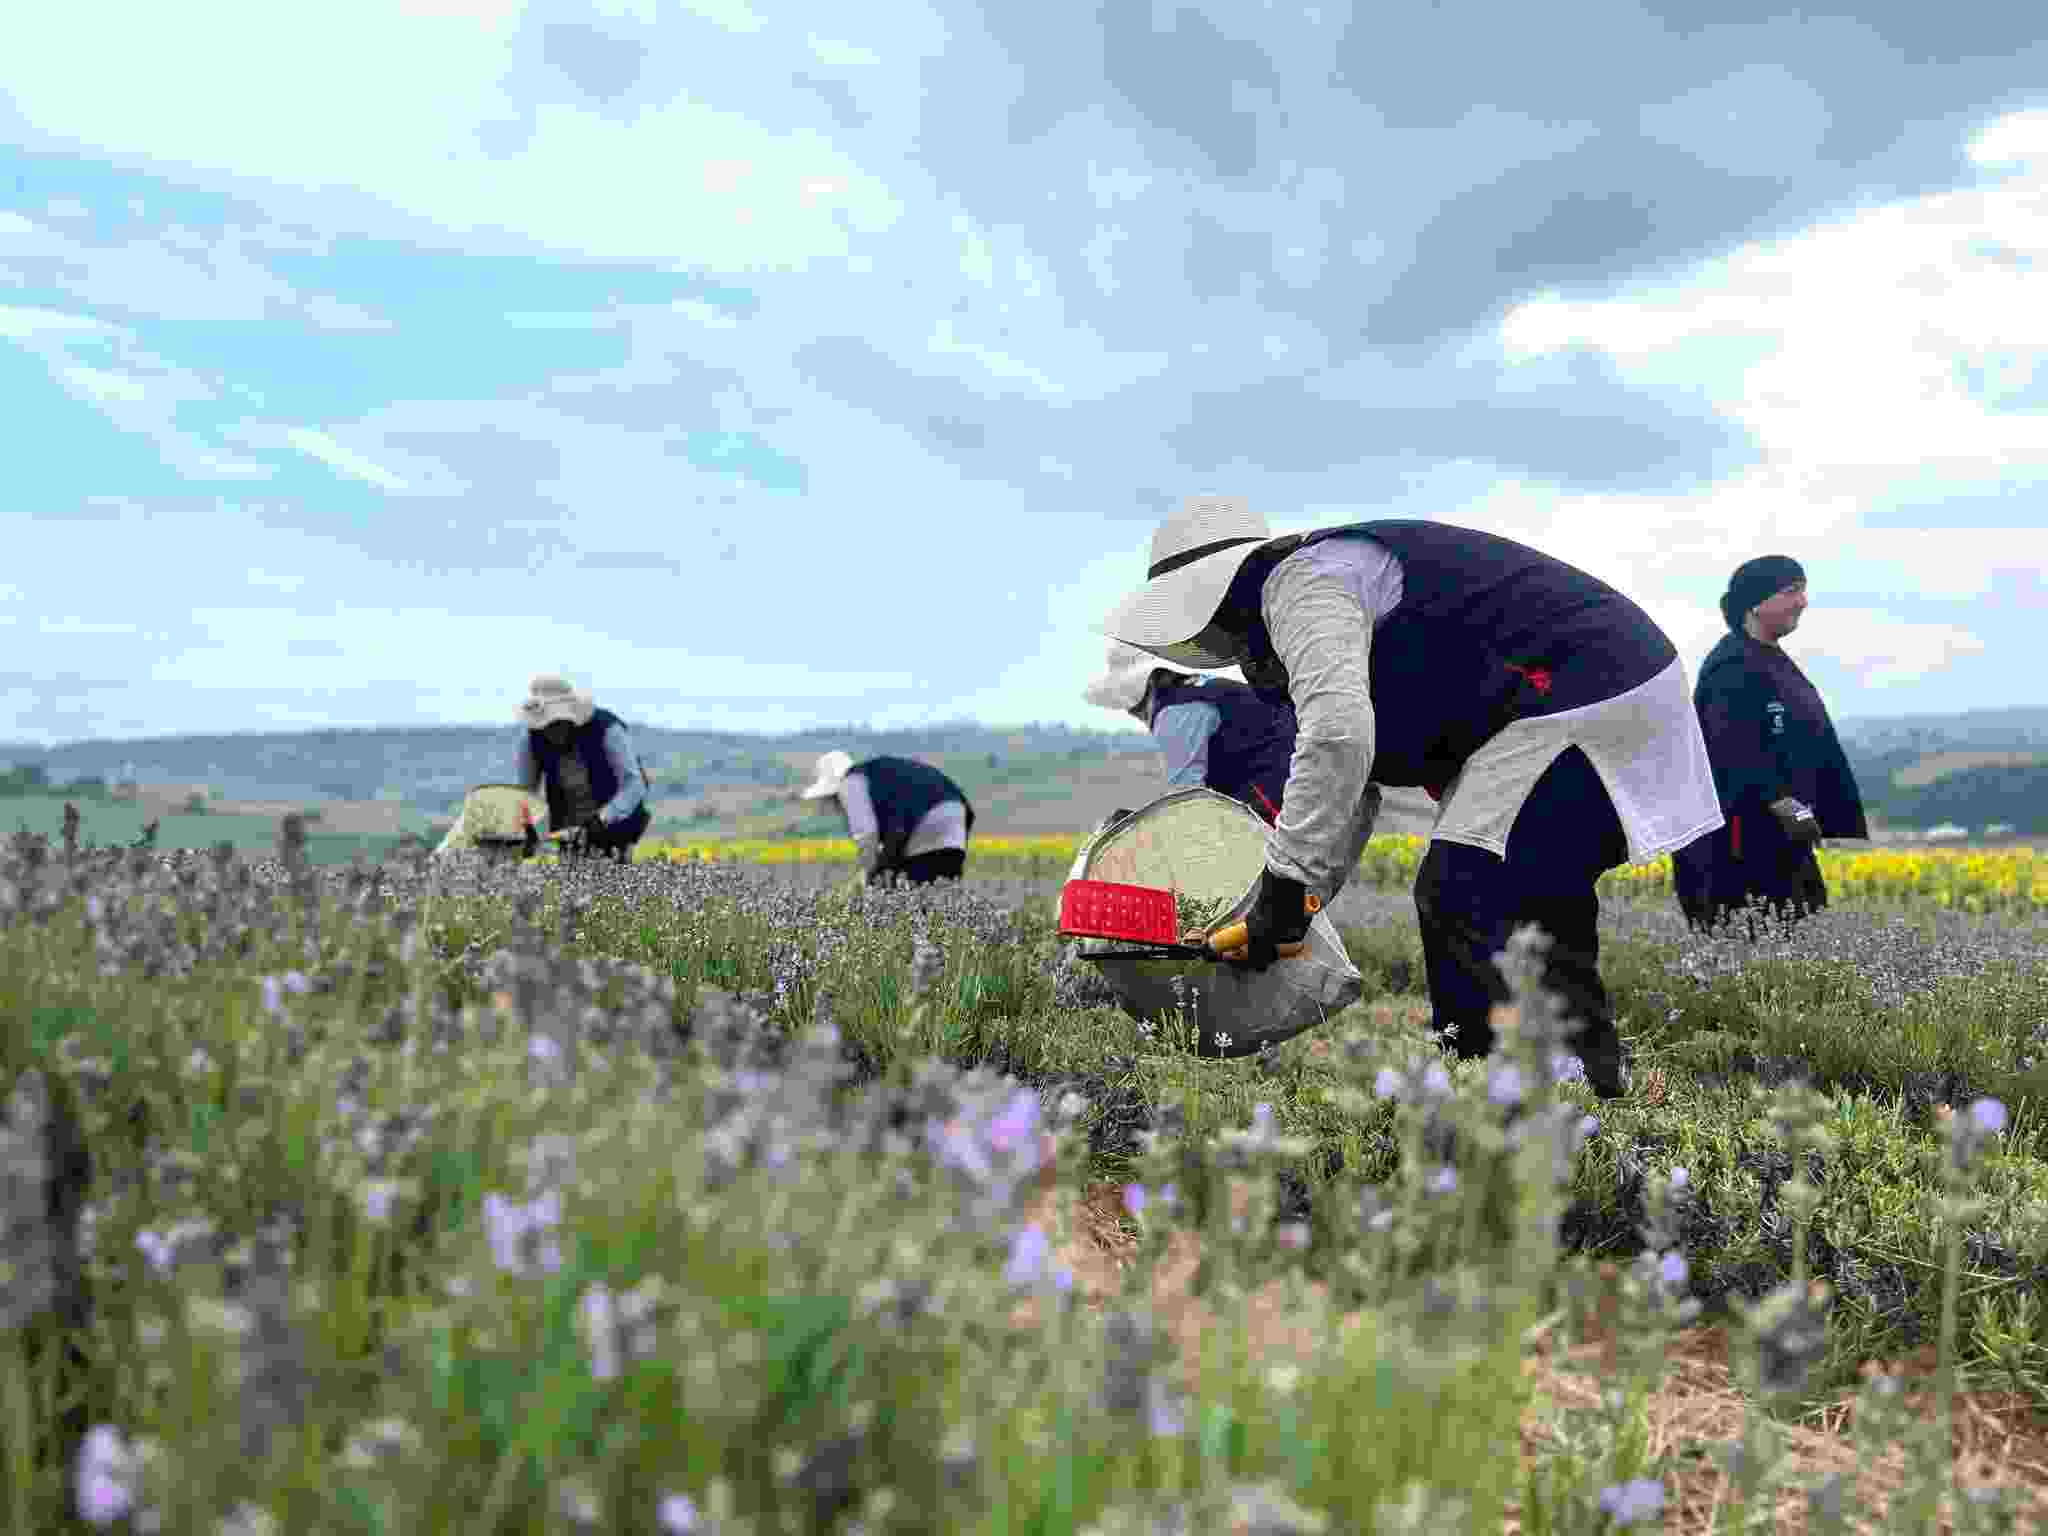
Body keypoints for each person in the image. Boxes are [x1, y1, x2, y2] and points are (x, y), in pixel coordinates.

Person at [1098, 496, 1725, 1098]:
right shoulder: (1313, 592)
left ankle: (1496, 1091)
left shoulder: (1302, 585)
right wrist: (1290, 902)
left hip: (1582, 687)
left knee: (1465, 886)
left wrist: (1285, 893)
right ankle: (1581, 1083)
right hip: (1618, 681)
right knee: (1534, 892)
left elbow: (1338, 739)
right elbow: (1354, 784)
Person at [1671, 557, 1866, 933]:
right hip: (1737, 851)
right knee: (1754, 951)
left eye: (1802, 590)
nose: (1803, 601)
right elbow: (1734, 752)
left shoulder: (1770, 660)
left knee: (1798, 942)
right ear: (1758, 603)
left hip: (1779, 842)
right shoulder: (1731, 667)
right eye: (1792, 591)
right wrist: (1790, 807)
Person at [1083, 640, 1296, 824]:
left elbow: (1186, 798)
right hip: (1300, 779)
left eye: (1134, 710)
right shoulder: (1204, 689)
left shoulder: (1177, 711)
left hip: (1280, 799)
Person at [515, 674, 651, 862]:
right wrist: (527, 828)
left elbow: (635, 784)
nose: (551, 732)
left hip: (614, 829)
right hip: (566, 834)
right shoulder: (531, 741)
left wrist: (602, 818)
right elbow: (526, 794)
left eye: (556, 724)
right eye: (545, 727)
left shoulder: (607, 730)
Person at [799, 749, 976, 886]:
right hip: (956, 821)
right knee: (943, 897)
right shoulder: (879, 772)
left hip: (923, 824)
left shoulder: (851, 781)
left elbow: (866, 833)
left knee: (907, 897)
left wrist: (867, 874)